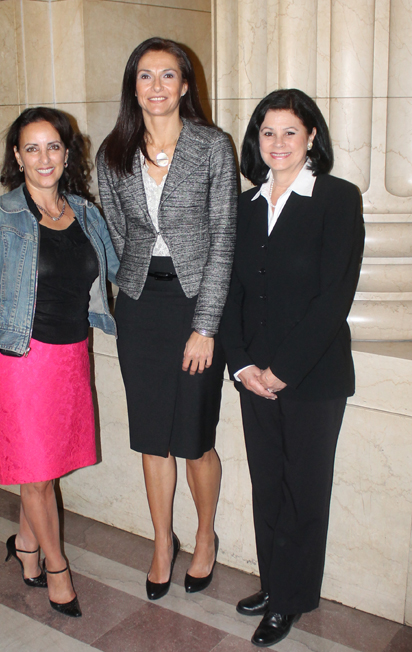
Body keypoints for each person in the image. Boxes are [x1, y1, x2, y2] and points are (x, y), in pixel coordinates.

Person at [0, 107, 118, 618]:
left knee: (43, 468)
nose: (43, 158)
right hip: (16, 360)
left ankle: (26, 544)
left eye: (53, 147)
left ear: (68, 155)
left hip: (70, 357)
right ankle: (57, 570)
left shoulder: (86, 213)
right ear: (17, 157)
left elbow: (117, 269)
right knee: (38, 475)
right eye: (31, 148)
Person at [220, 88, 364, 647]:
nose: (277, 143)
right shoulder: (246, 204)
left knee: (305, 491)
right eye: (266, 132)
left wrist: (281, 369)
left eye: (289, 132)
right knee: (268, 488)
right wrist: (242, 365)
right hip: (252, 376)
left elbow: (335, 297)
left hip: (313, 377)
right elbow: (229, 291)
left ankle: (293, 598)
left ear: (310, 139)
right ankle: (274, 583)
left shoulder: (336, 198)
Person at [97, 37, 237, 600]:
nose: (157, 86)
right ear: (133, 85)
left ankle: (205, 536)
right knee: (152, 438)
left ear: (185, 85)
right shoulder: (114, 150)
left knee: (195, 437)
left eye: (168, 75)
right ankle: (162, 542)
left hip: (195, 303)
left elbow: (224, 237)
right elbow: (113, 231)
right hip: (140, 306)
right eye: (146, 75)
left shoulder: (212, 147)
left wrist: (205, 326)